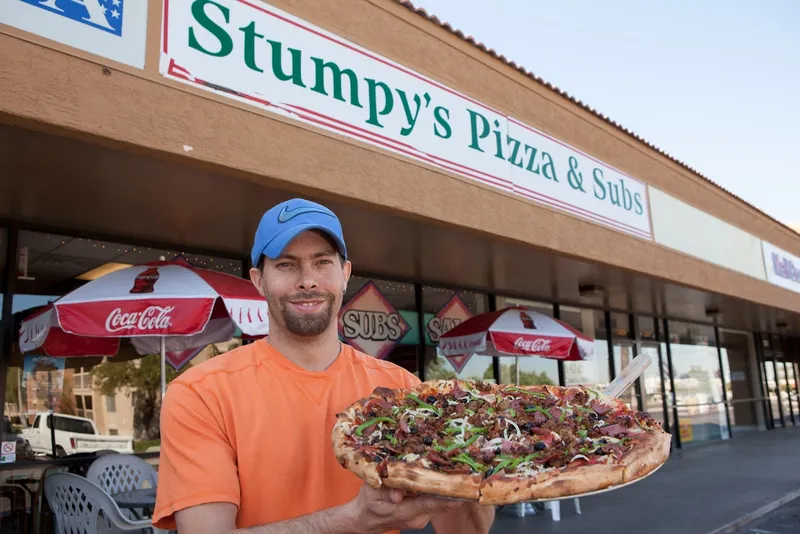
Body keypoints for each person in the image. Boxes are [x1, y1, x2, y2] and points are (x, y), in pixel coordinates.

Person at [153, 198, 496, 534]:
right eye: (286, 264)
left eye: (322, 262)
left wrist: (464, 454)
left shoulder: (406, 392)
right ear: (258, 280)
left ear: (345, 274)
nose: (308, 280)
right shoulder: (200, 394)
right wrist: (355, 519)